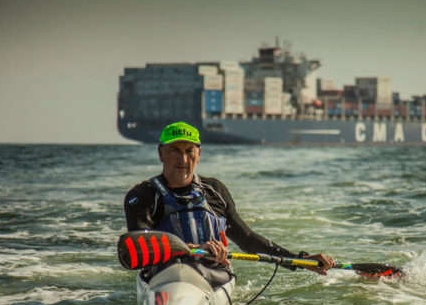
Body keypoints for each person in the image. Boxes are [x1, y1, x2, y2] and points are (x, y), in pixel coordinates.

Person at [124, 121, 335, 286]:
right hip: (163, 278)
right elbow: (141, 249)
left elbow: (248, 240)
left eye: (189, 151)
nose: (183, 159)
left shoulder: (215, 190)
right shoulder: (142, 196)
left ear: (199, 154)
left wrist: (302, 260)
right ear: (161, 153)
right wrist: (196, 249)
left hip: (213, 276)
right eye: (175, 150)